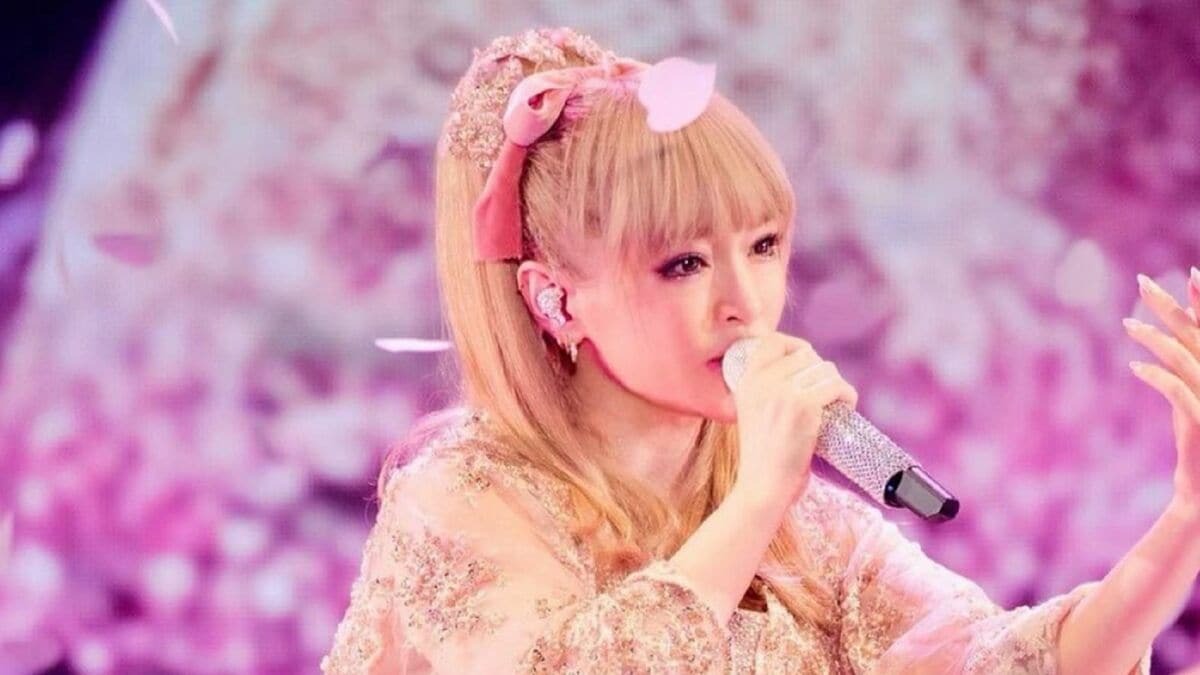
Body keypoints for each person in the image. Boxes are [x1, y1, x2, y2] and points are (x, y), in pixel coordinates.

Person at [321, 26, 1200, 674]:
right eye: (683, 263)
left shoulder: (806, 521)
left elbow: (1007, 664)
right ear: (555, 297)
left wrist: (1186, 520)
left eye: (765, 245)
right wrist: (760, 494)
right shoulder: (462, 499)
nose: (745, 301)